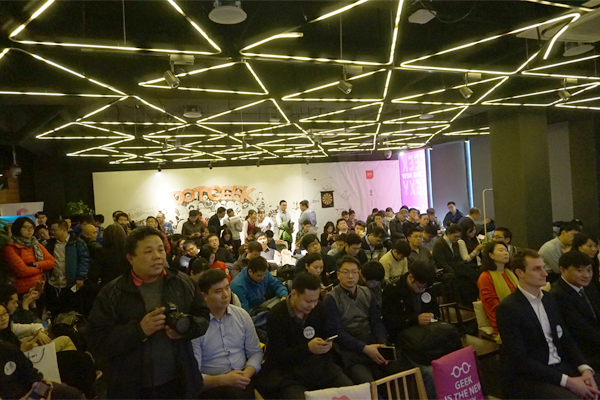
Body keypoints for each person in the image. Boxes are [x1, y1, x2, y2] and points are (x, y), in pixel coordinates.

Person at [87, 226, 210, 399]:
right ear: (130, 258)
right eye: (148, 251)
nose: (157, 256)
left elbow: (203, 317)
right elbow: (97, 341)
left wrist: (186, 327)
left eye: (160, 250)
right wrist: (139, 330)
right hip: (131, 388)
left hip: (180, 383)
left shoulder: (183, 283)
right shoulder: (113, 292)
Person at [496, 249, 600, 400]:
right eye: (537, 269)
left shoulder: (549, 299)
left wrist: (585, 369)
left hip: (561, 367)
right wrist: (568, 381)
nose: (545, 273)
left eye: (543, 268)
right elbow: (520, 360)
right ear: (520, 273)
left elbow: (566, 339)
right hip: (533, 377)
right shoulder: (508, 308)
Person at [256, 273, 353, 399]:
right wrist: (307, 348)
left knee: (350, 392)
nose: (312, 306)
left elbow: (327, 333)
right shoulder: (276, 315)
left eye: (315, 300)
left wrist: (327, 344)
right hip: (289, 372)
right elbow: (279, 355)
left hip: (320, 366)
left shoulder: (319, 309)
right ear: (294, 294)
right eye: (308, 301)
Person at [324, 256, 405, 385]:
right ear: (338, 275)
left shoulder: (367, 292)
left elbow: (376, 322)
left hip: (372, 342)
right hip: (350, 350)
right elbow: (338, 333)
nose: (350, 276)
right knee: (368, 383)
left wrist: (382, 343)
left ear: (359, 274)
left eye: (354, 272)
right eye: (346, 272)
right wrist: (365, 348)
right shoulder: (331, 299)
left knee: (401, 374)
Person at [192, 269, 263, 399]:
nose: (226, 295)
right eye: (218, 291)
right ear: (204, 296)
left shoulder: (242, 315)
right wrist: (224, 380)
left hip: (243, 377)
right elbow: (193, 375)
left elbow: (255, 352)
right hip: (213, 384)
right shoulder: (196, 325)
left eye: (227, 288)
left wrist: (244, 376)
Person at [381, 261, 438, 398]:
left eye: (425, 288)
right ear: (411, 278)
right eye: (420, 287)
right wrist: (414, 319)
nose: (422, 290)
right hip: (405, 342)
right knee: (429, 372)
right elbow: (389, 321)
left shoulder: (427, 288)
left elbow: (436, 310)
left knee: (451, 360)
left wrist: (432, 316)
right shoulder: (393, 291)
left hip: (428, 338)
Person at [551, 251, 600, 371]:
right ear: (563, 270)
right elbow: (579, 330)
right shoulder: (557, 295)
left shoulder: (589, 287)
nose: (586, 275)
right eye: (579, 270)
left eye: (589, 270)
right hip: (583, 353)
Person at [46, 220, 90, 315]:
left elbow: (84, 260)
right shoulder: (50, 244)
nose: (52, 232)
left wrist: (80, 277)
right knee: (55, 310)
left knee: (70, 310)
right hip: (54, 283)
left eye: (54, 230)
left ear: (64, 230)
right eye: (51, 230)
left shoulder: (76, 242)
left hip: (71, 283)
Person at [2, 217, 55, 294]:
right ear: (17, 228)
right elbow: (23, 271)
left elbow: (51, 262)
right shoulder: (10, 248)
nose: (30, 230)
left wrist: (36, 264)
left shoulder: (36, 244)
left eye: (32, 227)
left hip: (40, 287)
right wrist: (41, 269)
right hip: (23, 289)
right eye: (26, 227)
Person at [477, 242, 516, 336]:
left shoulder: (510, 272)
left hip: (516, 312)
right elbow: (494, 306)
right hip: (502, 318)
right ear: (491, 255)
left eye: (506, 250)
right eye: (501, 250)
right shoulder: (485, 277)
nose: (506, 253)